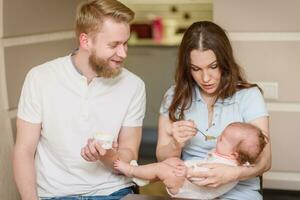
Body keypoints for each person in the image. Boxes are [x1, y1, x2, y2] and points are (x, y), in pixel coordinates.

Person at [13, 0, 146, 199]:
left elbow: (129, 152)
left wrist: (108, 157)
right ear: (85, 41)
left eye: (125, 43)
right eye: (114, 45)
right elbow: (24, 150)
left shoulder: (134, 85)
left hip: (114, 192)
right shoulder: (40, 78)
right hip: (55, 195)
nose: (123, 53)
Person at [156, 21, 271, 200]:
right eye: (196, 69)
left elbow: (265, 161)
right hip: (191, 191)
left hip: (239, 192)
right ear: (187, 68)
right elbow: (162, 157)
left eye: (213, 66)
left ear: (224, 62)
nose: (206, 78)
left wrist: (232, 174)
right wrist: (175, 145)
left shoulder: (249, 96)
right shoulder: (174, 96)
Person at [114, 122, 267, 199]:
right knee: (171, 162)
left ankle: (131, 170)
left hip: (189, 190)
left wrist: (187, 170)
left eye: (223, 139)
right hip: (187, 180)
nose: (218, 137)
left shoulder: (226, 166)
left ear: (235, 155)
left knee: (164, 169)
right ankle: (144, 178)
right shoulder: (229, 157)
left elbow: (203, 176)